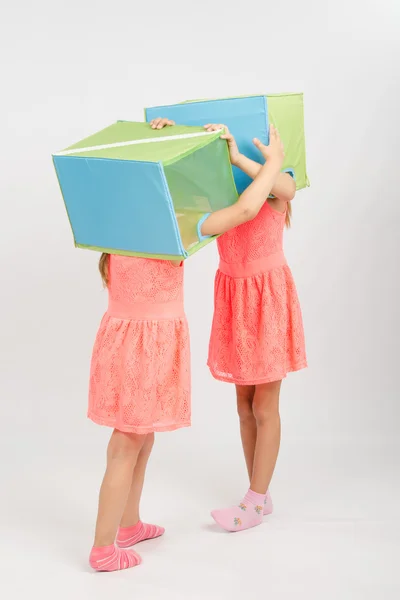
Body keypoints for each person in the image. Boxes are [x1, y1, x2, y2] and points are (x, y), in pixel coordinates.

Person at [87, 117, 286, 570]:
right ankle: (103, 549)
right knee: (127, 441)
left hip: (122, 343)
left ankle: (129, 524)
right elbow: (243, 212)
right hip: (146, 348)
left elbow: (155, 171)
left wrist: (170, 131)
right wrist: (272, 164)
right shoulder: (173, 227)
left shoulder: (117, 232)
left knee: (140, 437)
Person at [202, 123, 307, 532]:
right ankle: (257, 495)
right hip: (235, 297)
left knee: (264, 405)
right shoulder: (226, 197)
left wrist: (244, 156)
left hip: (267, 299)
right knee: (244, 405)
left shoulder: (276, 189)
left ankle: (253, 502)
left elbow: (286, 188)